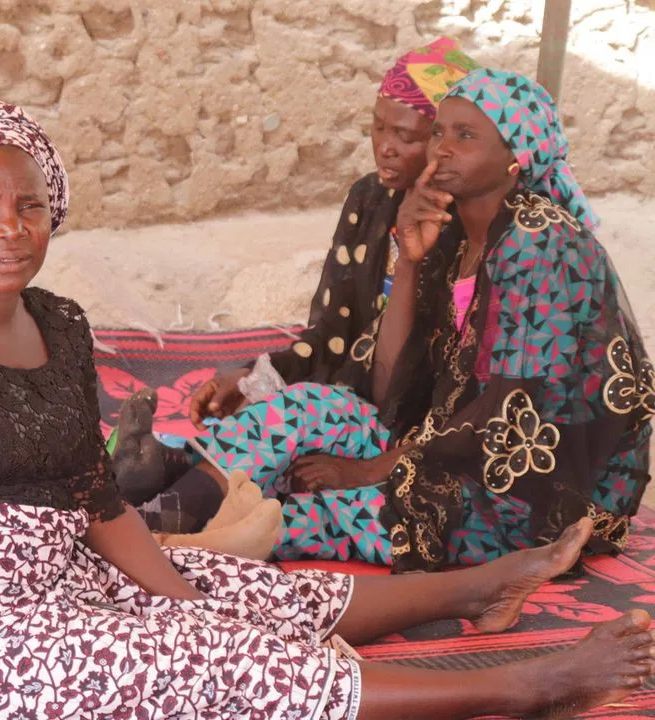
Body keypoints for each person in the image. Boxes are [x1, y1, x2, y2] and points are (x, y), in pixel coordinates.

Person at [0, 101, 653, 720]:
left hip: (51, 566)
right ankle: (523, 685)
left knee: (234, 593)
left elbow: (91, 486)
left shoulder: (56, 319)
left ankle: (483, 584)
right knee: (205, 661)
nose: (8, 230)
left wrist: (179, 588)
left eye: (27, 207)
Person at [153, 69, 652, 570]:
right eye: (440, 132)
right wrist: (410, 260)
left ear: (517, 159)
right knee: (303, 408)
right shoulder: (452, 231)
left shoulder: (540, 243)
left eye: (466, 135)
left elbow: (507, 413)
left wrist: (366, 471)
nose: (443, 149)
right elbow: (389, 383)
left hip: (519, 487)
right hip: (436, 441)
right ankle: (158, 515)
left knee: (330, 510)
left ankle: (179, 548)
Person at [114, 38, 478, 556]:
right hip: (357, 412)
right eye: (378, 126)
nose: (385, 146)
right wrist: (255, 378)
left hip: (411, 438)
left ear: (445, 144)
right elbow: (331, 332)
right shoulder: (369, 199)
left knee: (300, 429)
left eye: (405, 135)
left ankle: (157, 511)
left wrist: (371, 463)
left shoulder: (470, 234)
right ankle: (162, 487)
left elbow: (463, 397)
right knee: (277, 423)